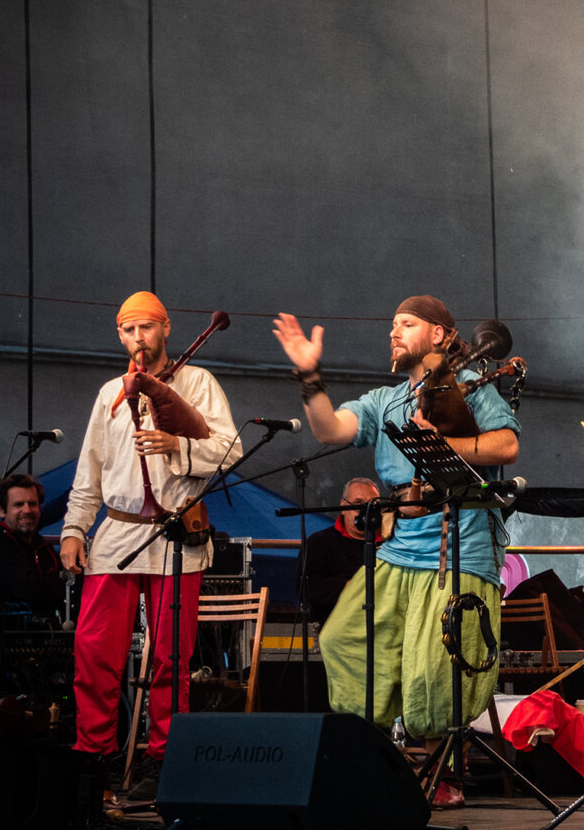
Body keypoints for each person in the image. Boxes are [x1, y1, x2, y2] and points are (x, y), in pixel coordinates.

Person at [273, 295, 519, 807]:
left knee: (436, 665)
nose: (393, 332)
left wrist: (440, 447)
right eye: (392, 324)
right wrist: (310, 377)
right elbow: (329, 429)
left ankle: (441, 775)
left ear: (438, 334)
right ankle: (378, 759)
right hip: (400, 548)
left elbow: (506, 446)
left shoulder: (470, 387)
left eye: (406, 323)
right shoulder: (385, 400)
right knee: (346, 636)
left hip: (460, 544)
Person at [60, 292, 241, 798]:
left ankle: (164, 759)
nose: (138, 338)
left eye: (146, 327)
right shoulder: (110, 393)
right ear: (120, 336)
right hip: (116, 535)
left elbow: (230, 449)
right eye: (129, 330)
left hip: (177, 538)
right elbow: (90, 470)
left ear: (166, 329)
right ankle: (93, 758)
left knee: (169, 659)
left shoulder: (198, 383)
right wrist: (74, 529)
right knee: (94, 653)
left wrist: (176, 444)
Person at [297, 476, 381, 626]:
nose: (366, 511)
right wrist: (353, 586)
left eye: (372, 505)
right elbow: (306, 588)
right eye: (358, 504)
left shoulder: (391, 543)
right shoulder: (319, 542)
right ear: (343, 506)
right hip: (335, 625)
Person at [0, 473, 65, 621]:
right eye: (18, 504)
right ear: (2, 510)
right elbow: (28, 591)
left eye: (32, 504)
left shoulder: (43, 547)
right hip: (7, 632)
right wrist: (57, 585)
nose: (27, 510)